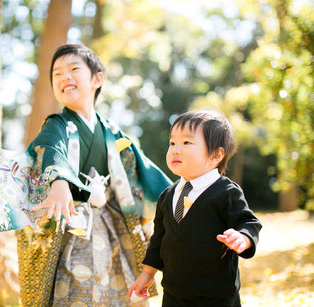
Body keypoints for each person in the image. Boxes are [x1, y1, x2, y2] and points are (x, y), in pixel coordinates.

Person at [15, 44, 172, 306]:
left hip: (111, 222)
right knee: (77, 287)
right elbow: (52, 148)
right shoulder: (57, 124)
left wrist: (180, 195)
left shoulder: (111, 131)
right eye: (57, 74)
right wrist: (58, 181)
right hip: (74, 225)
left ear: (97, 79)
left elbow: (143, 170)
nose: (65, 76)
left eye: (74, 69)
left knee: (118, 286)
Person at [128, 110, 262, 307]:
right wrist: (148, 273)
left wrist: (242, 238)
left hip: (217, 297)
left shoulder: (226, 192)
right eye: (172, 143)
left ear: (216, 155)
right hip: (174, 294)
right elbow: (158, 240)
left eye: (187, 143)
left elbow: (248, 222)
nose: (175, 149)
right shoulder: (167, 196)